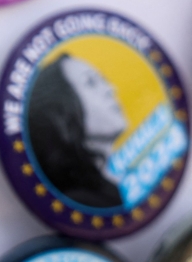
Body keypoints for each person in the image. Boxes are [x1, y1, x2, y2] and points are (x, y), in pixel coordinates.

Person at [28, 54, 128, 208]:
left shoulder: (118, 182)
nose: (110, 89)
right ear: (61, 109)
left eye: (103, 81)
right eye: (91, 83)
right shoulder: (81, 201)